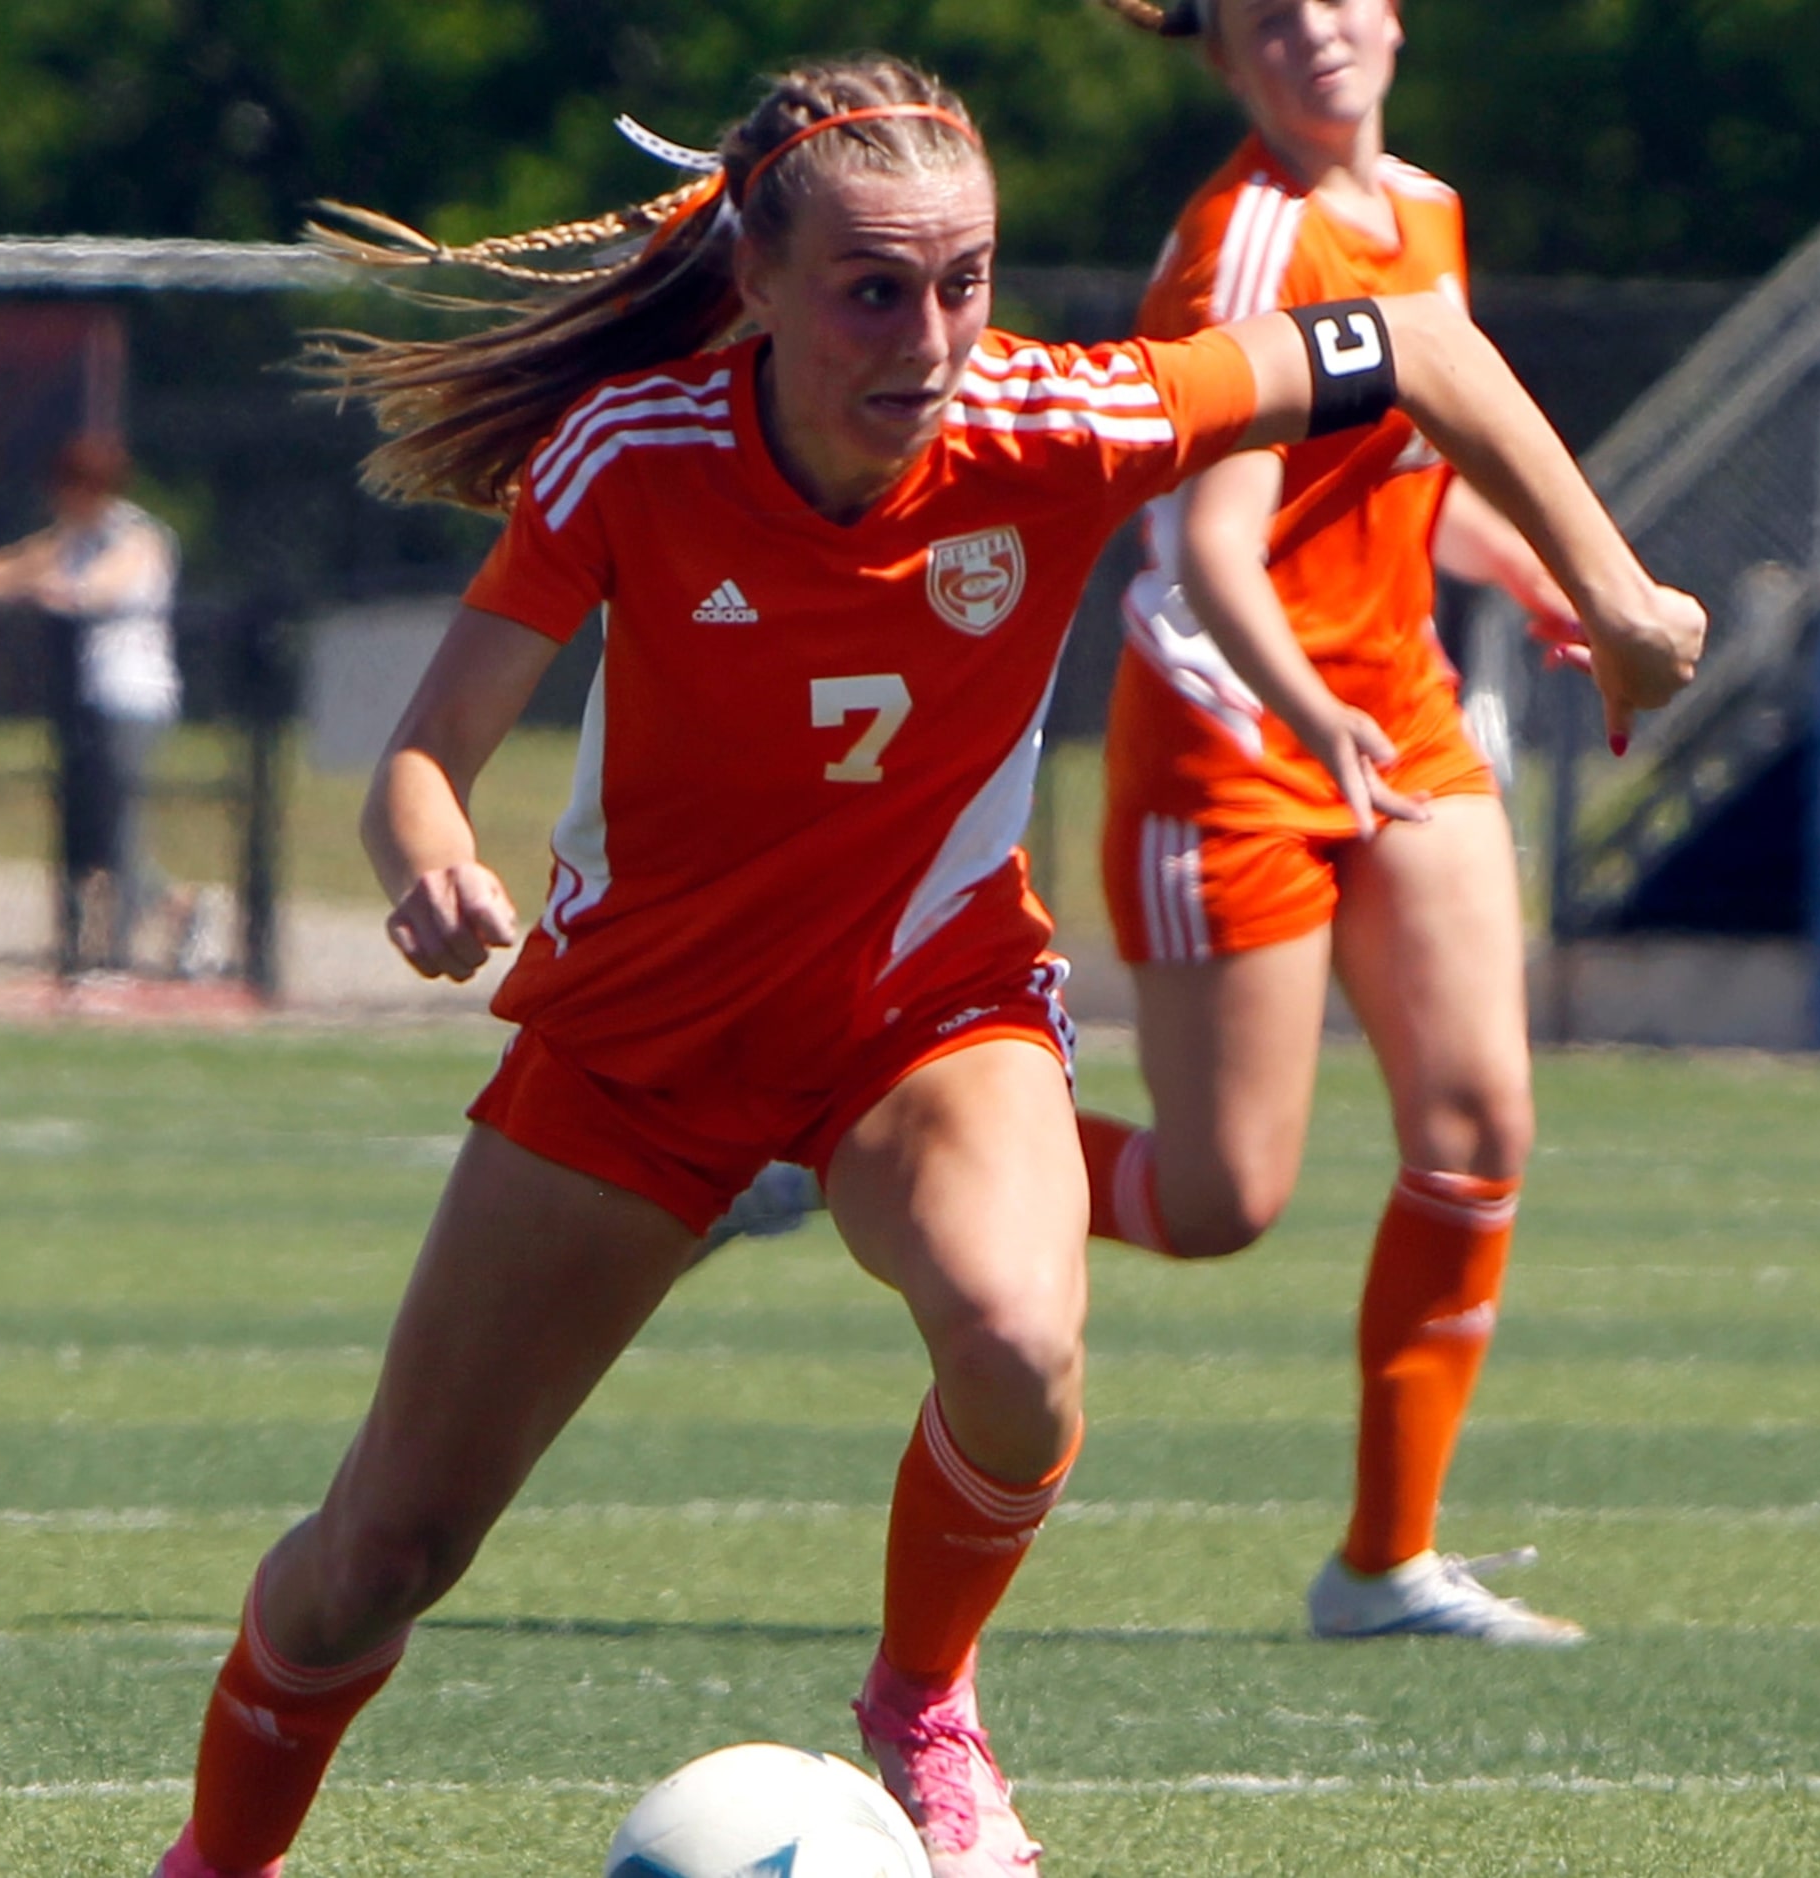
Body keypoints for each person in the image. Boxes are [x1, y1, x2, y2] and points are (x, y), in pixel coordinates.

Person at [146, 53, 1699, 1878]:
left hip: (925, 1020)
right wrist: (431, 865)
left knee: (1022, 1338)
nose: (934, 332)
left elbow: (1417, 341)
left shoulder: (1054, 423)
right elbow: (429, 755)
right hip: (634, 1055)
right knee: (373, 1564)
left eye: (963, 280)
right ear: (758, 287)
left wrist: (1614, 593)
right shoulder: (632, 453)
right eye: (875, 288)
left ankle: (924, 1697)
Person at [707, 0, 1598, 1644]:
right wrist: (1301, 703)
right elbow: (1209, 545)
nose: (1313, 34)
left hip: (1389, 705)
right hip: (1235, 728)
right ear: (1224, 58)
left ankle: (1384, 1563)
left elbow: (1412, 465)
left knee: (1478, 1127)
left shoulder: (1424, 210)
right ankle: (832, 1152)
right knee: (1215, 1199)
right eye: (1268, 19)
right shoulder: (1243, 239)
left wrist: (1544, 580)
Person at [0, 436, 187, 973]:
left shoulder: (138, 538)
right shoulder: (75, 538)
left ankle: (148, 933)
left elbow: (99, 588)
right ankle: (155, 921)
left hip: (134, 696)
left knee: (119, 828)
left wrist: (59, 586)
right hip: (87, 698)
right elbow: (13, 567)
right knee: (91, 826)